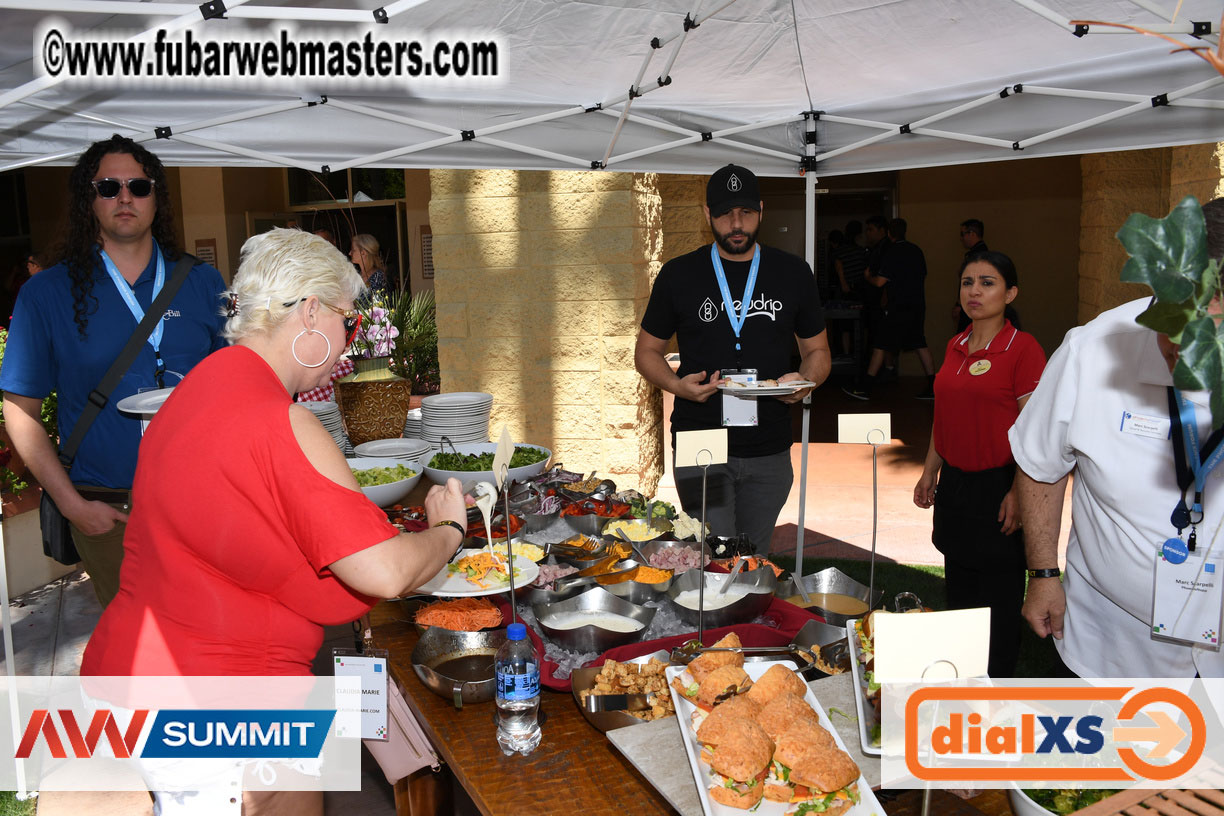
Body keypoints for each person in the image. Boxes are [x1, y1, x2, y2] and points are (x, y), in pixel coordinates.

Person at [80, 228, 469, 811]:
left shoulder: (189, 395)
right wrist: (449, 528)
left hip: (128, 682)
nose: (348, 343)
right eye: (349, 322)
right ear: (311, 312)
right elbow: (384, 573)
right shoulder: (276, 418)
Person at [0, 135, 227, 607]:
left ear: (156, 199)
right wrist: (72, 506)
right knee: (139, 655)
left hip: (202, 503)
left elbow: (236, 388)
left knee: (210, 643)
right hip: (109, 511)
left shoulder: (201, 282)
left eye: (139, 186)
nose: (125, 197)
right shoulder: (47, 294)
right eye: (108, 186)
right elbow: (19, 409)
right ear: (89, 199)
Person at [1010, 198, 1224, 678]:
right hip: (1112, 648)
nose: (1173, 345)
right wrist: (1043, 573)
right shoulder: (1092, 349)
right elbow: (1040, 463)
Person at [635, 163, 831, 555]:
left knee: (754, 558)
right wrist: (677, 386)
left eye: (746, 212)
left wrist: (804, 382)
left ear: (761, 210)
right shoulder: (679, 274)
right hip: (699, 436)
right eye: (725, 213)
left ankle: (747, 615)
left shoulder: (793, 273)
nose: (736, 223)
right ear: (708, 214)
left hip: (770, 442)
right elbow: (646, 352)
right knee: (712, 554)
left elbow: (818, 352)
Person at [914, 251, 1045, 677]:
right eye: (968, 281)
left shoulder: (1022, 349)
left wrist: (1019, 491)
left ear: (1011, 293)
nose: (975, 291)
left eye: (988, 283)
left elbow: (1035, 429)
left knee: (999, 603)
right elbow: (944, 416)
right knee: (961, 589)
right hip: (956, 486)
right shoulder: (954, 345)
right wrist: (930, 469)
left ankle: (997, 691)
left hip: (1000, 486)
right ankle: (961, 683)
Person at [845, 218, 936, 400]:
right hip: (917, 304)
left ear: (888, 233)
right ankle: (934, 386)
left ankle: (865, 388)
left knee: (880, 344)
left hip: (898, 306)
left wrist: (867, 277)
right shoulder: (916, 250)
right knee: (920, 343)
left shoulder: (892, 252)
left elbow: (879, 282)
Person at [350, 233, 389, 300]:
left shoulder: (378, 277)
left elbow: (379, 305)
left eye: (353, 250)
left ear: (363, 253)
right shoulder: (355, 275)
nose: (350, 253)